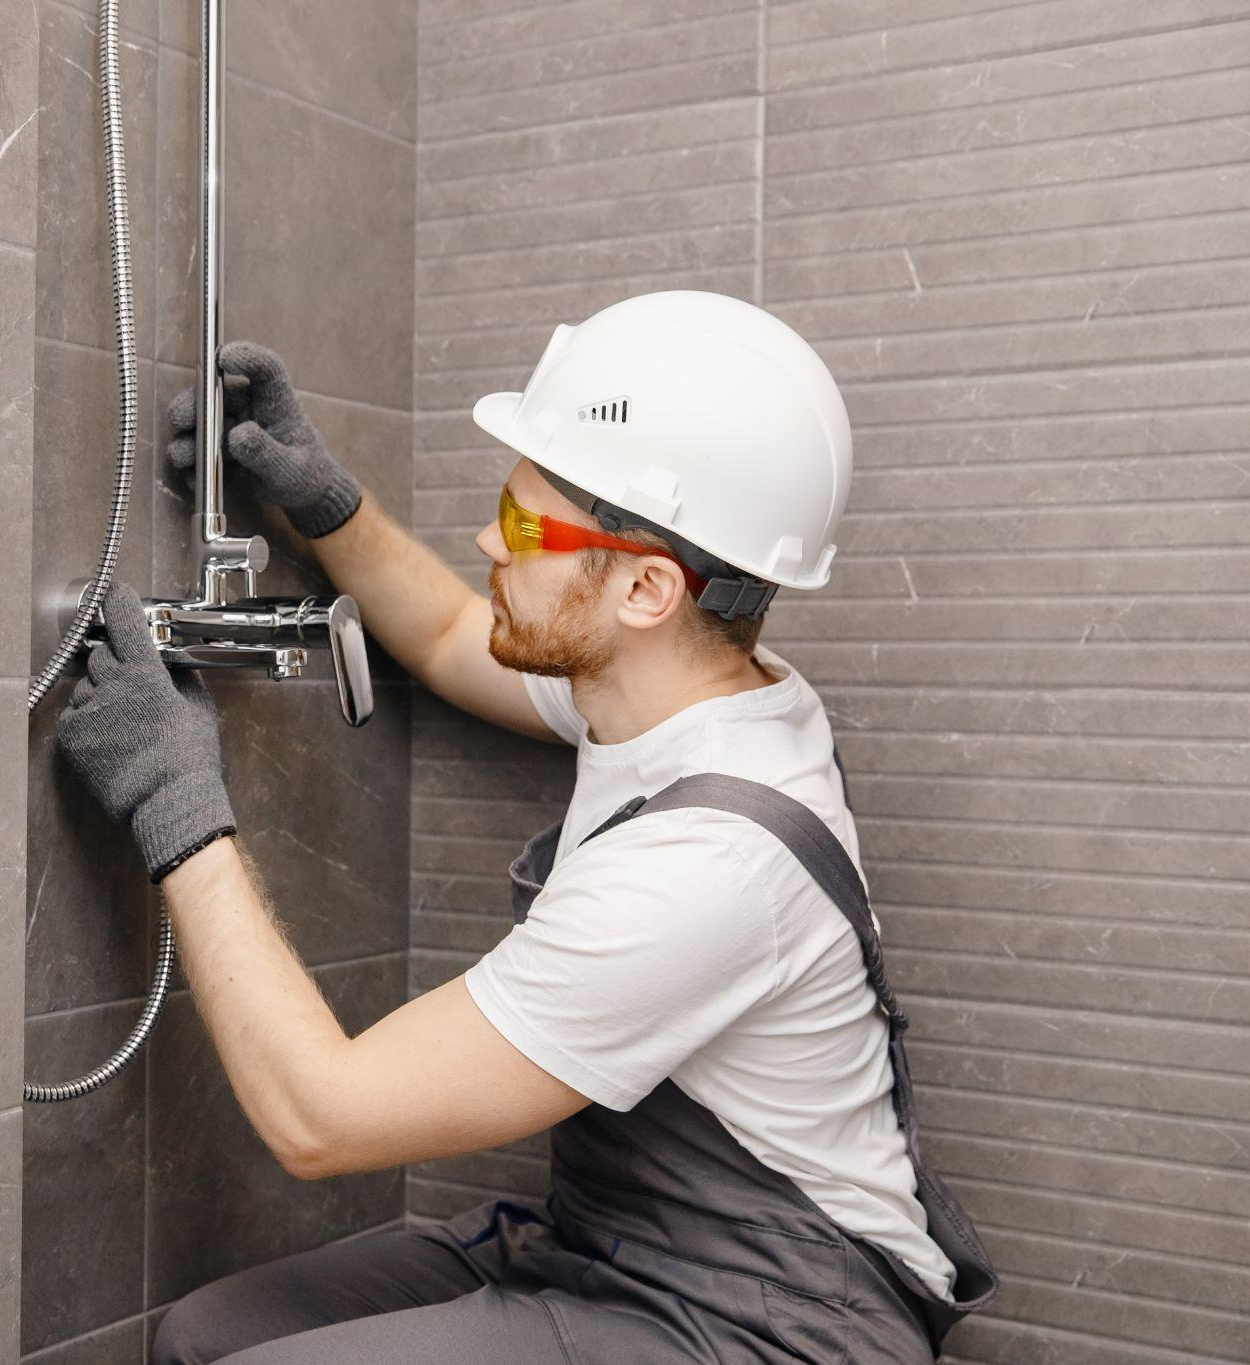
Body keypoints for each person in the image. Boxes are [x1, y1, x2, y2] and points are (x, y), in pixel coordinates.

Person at [54, 291, 997, 1363]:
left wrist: (173, 795)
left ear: (645, 588)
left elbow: (322, 1117)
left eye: (517, 526)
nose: (481, 543)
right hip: (614, 1248)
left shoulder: (708, 869)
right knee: (201, 1338)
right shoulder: (693, 688)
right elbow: (462, 636)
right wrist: (321, 502)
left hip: (775, 1321)